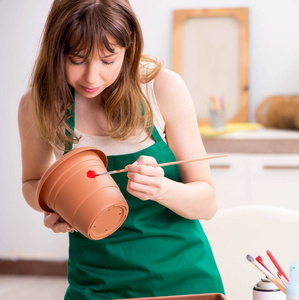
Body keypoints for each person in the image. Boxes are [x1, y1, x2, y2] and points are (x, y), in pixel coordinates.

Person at [18, 0, 225, 299]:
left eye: (108, 59)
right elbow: (31, 183)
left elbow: (207, 204)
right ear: (55, 51)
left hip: (182, 280)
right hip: (95, 283)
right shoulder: (39, 105)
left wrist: (161, 188)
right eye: (76, 59)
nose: (91, 77)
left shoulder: (161, 88)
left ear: (128, 47)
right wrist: (53, 203)